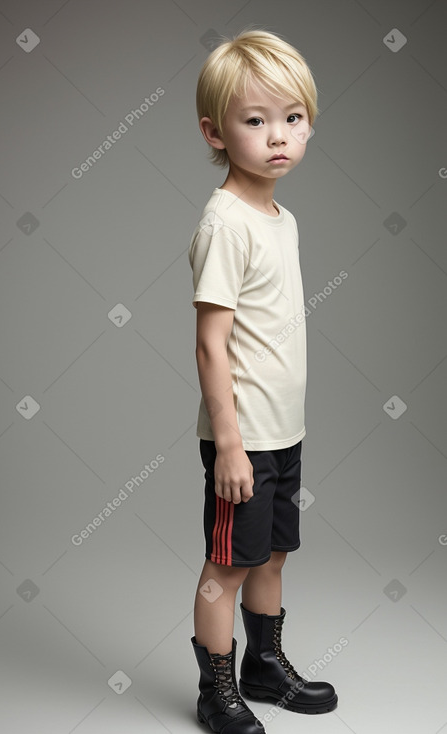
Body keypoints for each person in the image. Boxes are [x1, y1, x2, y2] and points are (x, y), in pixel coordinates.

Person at [188, 29, 338, 733]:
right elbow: (211, 343)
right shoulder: (225, 223)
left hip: (285, 430)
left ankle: (263, 667)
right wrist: (227, 445)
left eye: (292, 118)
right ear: (215, 132)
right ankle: (215, 690)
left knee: (273, 554)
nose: (277, 136)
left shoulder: (280, 217)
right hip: (241, 437)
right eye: (255, 121)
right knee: (228, 563)